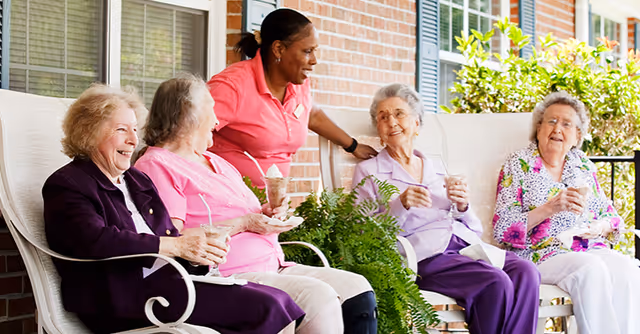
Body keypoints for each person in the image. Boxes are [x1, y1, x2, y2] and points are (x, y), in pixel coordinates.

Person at [43, 84, 304, 334]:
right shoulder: (68, 184)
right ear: (89, 132)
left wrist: (195, 253)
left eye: (135, 129)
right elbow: (95, 240)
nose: (134, 140)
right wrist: (175, 247)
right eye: (122, 130)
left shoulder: (136, 180)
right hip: (122, 297)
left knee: (277, 300)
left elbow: (168, 233)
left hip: (167, 281)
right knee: (265, 307)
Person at [134, 74, 378, 334]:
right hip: (226, 275)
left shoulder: (216, 162)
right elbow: (172, 238)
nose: (217, 121)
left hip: (273, 265)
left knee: (357, 290)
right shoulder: (157, 165)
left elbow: (244, 213)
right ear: (188, 113)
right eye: (212, 109)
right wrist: (245, 223)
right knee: (319, 298)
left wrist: (267, 214)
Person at [352, 83, 540, 334]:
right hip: (423, 257)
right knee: (495, 283)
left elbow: (474, 227)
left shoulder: (436, 165)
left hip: (463, 245)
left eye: (399, 113)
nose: (391, 121)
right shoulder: (369, 171)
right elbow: (359, 235)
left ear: (417, 123)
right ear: (379, 130)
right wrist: (400, 204)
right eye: (383, 117)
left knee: (526, 272)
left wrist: (463, 205)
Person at [493, 91, 640, 334]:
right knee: (590, 269)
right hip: (540, 253)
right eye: (551, 121)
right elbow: (502, 228)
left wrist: (598, 228)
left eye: (566, 124)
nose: (557, 129)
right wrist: (550, 207)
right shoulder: (518, 164)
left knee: (628, 270)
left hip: (587, 247)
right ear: (538, 128)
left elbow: (611, 217)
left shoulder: (580, 163)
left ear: (577, 136)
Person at [206, 8, 378, 188]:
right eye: (307, 51)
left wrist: (352, 145)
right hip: (228, 201)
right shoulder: (232, 86)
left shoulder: (298, 83)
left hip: (271, 204)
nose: (314, 60)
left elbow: (312, 115)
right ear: (279, 49)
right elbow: (186, 133)